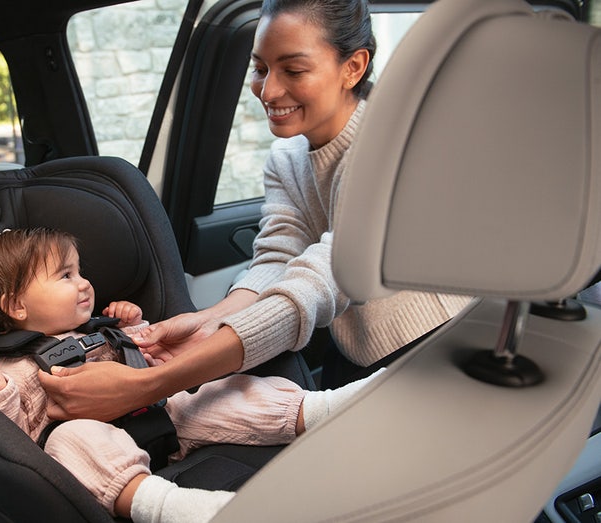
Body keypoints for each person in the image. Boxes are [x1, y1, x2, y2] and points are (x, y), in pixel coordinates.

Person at [38, 0, 469, 422]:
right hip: (356, 349)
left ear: (353, 67)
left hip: (437, 346)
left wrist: (153, 383)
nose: (270, 90)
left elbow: (325, 276)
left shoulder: (391, 147)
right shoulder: (287, 158)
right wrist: (208, 320)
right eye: (260, 68)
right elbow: (279, 259)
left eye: (293, 70)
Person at [0, 228, 377, 523]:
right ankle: (168, 506)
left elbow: (149, 353)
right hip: (101, 442)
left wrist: (134, 325)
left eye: (80, 270)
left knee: (217, 392)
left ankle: (322, 409)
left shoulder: (98, 329)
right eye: (65, 276)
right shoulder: (15, 366)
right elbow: (15, 438)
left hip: (164, 412)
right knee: (71, 443)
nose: (85, 283)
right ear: (17, 307)